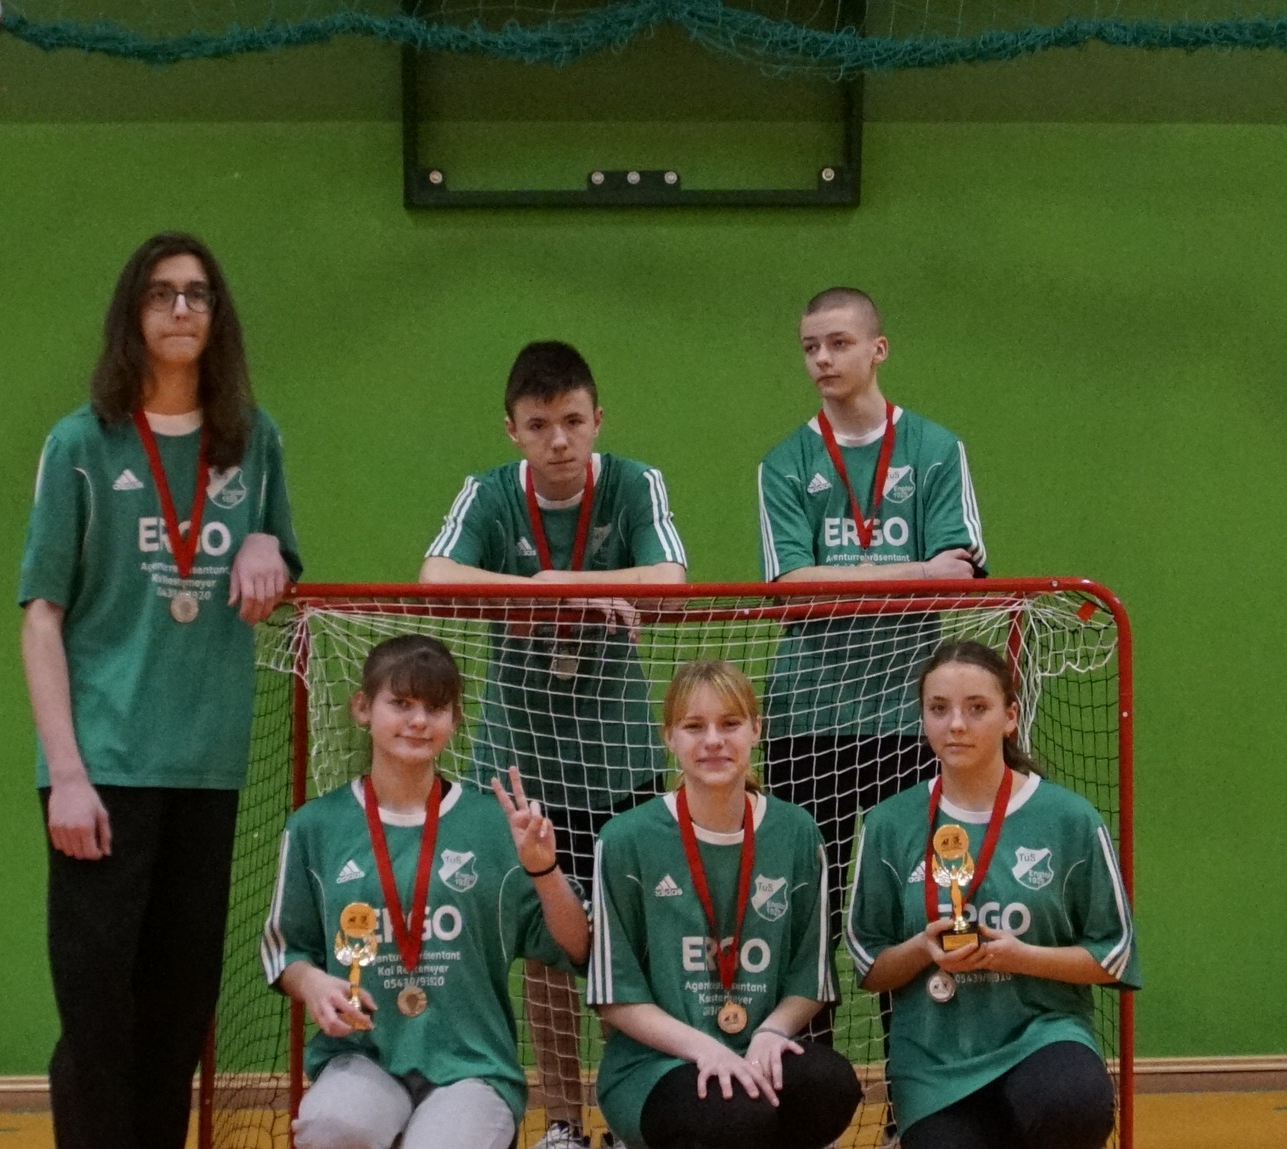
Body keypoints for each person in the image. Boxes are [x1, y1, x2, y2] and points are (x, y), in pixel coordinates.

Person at [19, 232, 301, 1149]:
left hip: (206, 767)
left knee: (178, 1018)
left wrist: (266, 543)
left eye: (198, 294)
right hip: (103, 768)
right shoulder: (79, 443)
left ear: (218, 317)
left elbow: (279, 559)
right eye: (160, 293)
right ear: (131, 315)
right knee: (99, 1017)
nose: (181, 308)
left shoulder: (254, 441)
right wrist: (67, 773)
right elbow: (41, 617)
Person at [420, 339, 687, 1149]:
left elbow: (669, 582)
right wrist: (539, 588)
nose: (559, 440)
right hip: (521, 763)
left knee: (624, 946)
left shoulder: (635, 483)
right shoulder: (490, 493)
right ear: (513, 430)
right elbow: (437, 577)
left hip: (620, 759)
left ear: (597, 418)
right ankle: (565, 1119)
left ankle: (627, 1116)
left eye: (573, 420)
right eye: (539, 425)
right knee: (543, 951)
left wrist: (568, 584)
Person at [755, 286, 989, 1041]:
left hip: (908, 719)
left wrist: (854, 582)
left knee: (912, 910)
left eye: (839, 343)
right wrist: (914, 572)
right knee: (807, 912)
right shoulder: (785, 462)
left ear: (878, 349)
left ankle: (914, 1082)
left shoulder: (936, 449)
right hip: (809, 716)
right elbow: (793, 589)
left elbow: (961, 574)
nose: (822, 359)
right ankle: (807, 1082)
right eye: (810, 347)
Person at [260, 635, 591, 1149]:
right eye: (401, 703)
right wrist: (314, 984)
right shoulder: (315, 827)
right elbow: (285, 949)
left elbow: (576, 947)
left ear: (454, 719)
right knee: (330, 1128)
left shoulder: (493, 826)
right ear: (362, 707)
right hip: (363, 1057)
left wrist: (545, 870)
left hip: (471, 1066)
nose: (418, 721)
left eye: (435, 708)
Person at [845, 641, 1138, 1149]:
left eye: (977, 708)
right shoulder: (889, 824)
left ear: (1010, 717)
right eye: (939, 709)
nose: (956, 724)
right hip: (934, 1061)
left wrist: (1021, 956)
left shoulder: (1069, 819)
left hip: (1040, 1036)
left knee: (1073, 1105)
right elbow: (871, 968)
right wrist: (924, 947)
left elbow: (1114, 954)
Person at [587, 660, 862, 1149]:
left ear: (756, 729)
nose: (713, 740)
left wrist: (771, 1033)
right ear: (669, 737)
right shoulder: (625, 839)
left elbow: (811, 979)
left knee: (831, 1087)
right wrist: (707, 1050)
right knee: (734, 1117)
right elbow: (615, 996)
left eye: (730, 723)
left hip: (756, 1048)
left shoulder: (797, 833)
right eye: (694, 726)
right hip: (657, 1065)